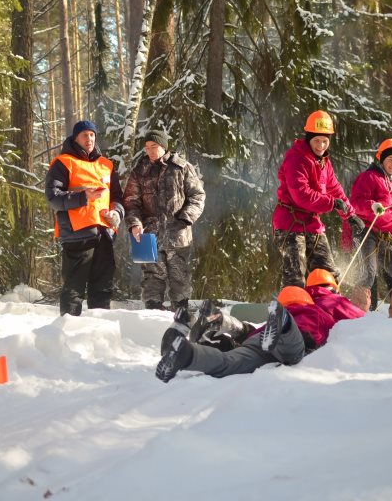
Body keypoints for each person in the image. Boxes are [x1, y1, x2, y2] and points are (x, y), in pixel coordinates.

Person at [155, 284, 364, 382]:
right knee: (292, 353)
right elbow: (361, 320)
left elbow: (248, 335)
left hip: (258, 342)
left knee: (229, 362)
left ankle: (187, 355)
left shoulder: (269, 323)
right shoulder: (316, 309)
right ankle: (284, 324)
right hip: (295, 337)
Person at [272, 110, 365, 288]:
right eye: (317, 141)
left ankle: (326, 309)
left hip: (312, 224)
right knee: (295, 277)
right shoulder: (296, 158)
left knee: (327, 274)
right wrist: (330, 203)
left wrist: (350, 215)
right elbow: (301, 194)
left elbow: (335, 189)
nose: (321, 145)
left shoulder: (324, 162)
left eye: (325, 141)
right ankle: (291, 311)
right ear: (308, 138)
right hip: (290, 223)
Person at [46, 120, 125, 316]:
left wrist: (116, 213)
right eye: (84, 135)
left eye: (92, 134)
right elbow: (53, 198)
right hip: (77, 235)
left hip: (104, 234)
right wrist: (83, 197)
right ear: (75, 138)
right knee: (74, 290)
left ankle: (99, 336)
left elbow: (117, 197)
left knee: (102, 290)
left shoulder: (106, 165)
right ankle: (68, 335)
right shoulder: (63, 162)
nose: (89, 139)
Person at [123, 130, 206, 310]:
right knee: (151, 277)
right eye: (147, 148)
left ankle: (181, 314)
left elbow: (198, 197)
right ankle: (153, 315)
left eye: (154, 147)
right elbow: (131, 202)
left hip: (178, 234)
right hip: (148, 235)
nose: (150, 151)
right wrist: (135, 224)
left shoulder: (181, 167)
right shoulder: (139, 171)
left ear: (164, 146)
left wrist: (185, 219)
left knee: (179, 276)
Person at [344, 139, 392, 316]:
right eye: (391, 160)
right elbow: (355, 202)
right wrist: (371, 206)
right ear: (382, 159)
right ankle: (357, 317)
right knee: (368, 275)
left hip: (386, 236)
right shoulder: (369, 177)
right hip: (367, 232)